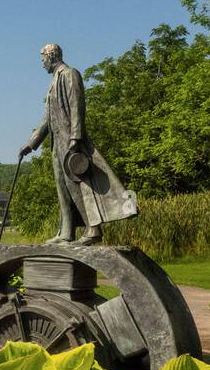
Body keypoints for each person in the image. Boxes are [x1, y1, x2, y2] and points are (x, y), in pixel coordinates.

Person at [19, 43, 137, 244]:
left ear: (51, 56)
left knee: (79, 186)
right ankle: (66, 232)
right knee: (62, 188)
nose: (42, 64)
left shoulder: (70, 74)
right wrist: (31, 144)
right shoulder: (54, 81)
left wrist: (76, 137)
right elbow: (47, 119)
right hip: (57, 145)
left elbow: (77, 107)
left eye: (42, 60)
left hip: (70, 142)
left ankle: (93, 229)